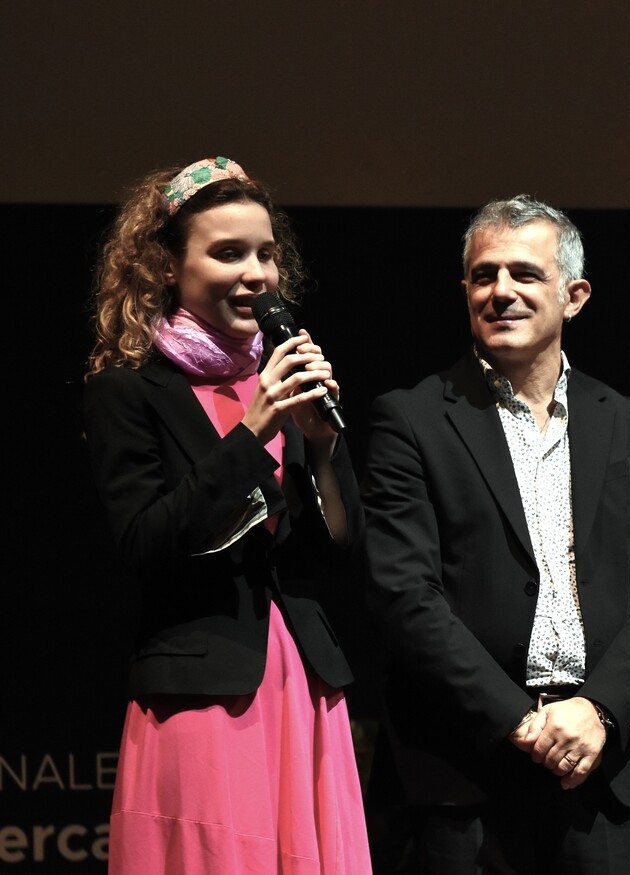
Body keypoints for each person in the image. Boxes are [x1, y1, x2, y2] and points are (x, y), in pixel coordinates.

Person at [361, 195, 630, 873]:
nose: (500, 291)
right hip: (463, 774)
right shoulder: (413, 419)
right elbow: (405, 595)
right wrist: (520, 718)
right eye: (483, 275)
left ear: (574, 296)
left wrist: (598, 711)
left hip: (600, 770)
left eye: (524, 274)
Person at [83, 157, 372, 873]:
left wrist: (324, 445)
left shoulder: (279, 376)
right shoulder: (129, 392)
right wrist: (251, 431)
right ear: (167, 270)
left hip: (301, 684)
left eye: (267, 254)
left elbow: (339, 547)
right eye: (227, 252)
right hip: (202, 691)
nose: (256, 273)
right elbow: (146, 542)